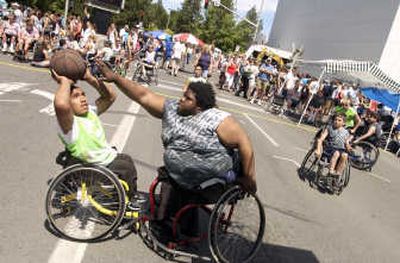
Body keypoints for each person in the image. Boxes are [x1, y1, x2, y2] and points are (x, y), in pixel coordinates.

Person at [96, 60, 257, 222]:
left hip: (212, 183)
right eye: (183, 95)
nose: (181, 99)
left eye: (187, 98)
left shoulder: (217, 119)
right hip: (180, 178)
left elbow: (245, 144)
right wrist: (116, 78)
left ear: (199, 106)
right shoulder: (174, 109)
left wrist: (249, 178)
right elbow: (143, 96)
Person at [51, 68, 141, 208]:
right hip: (91, 165)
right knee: (126, 168)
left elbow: (110, 96)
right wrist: (64, 82)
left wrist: (89, 77)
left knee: (126, 159)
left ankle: (123, 196)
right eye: (76, 96)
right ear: (68, 103)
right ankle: (127, 201)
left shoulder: (90, 113)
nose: (83, 99)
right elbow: (61, 105)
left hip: (103, 158)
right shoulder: (69, 124)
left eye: (83, 95)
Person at [315, 113, 352, 180]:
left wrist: (348, 146)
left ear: (344, 123)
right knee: (336, 153)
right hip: (330, 149)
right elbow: (320, 139)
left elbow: (346, 142)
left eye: (339, 120)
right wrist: (318, 149)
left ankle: (338, 173)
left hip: (341, 149)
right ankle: (331, 172)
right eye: (335, 119)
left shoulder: (346, 132)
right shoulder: (329, 128)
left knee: (345, 155)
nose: (336, 121)